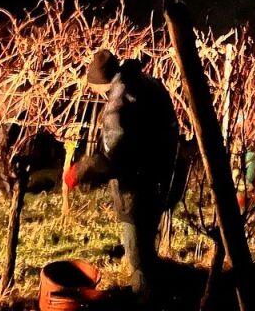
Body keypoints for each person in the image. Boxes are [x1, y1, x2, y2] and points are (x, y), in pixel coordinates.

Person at [65, 50, 181, 302]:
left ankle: (147, 300)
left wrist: (82, 170)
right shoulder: (149, 84)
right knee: (149, 245)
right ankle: (156, 293)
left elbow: (113, 151)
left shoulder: (118, 100)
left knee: (139, 256)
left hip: (136, 187)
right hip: (162, 177)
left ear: (99, 83)